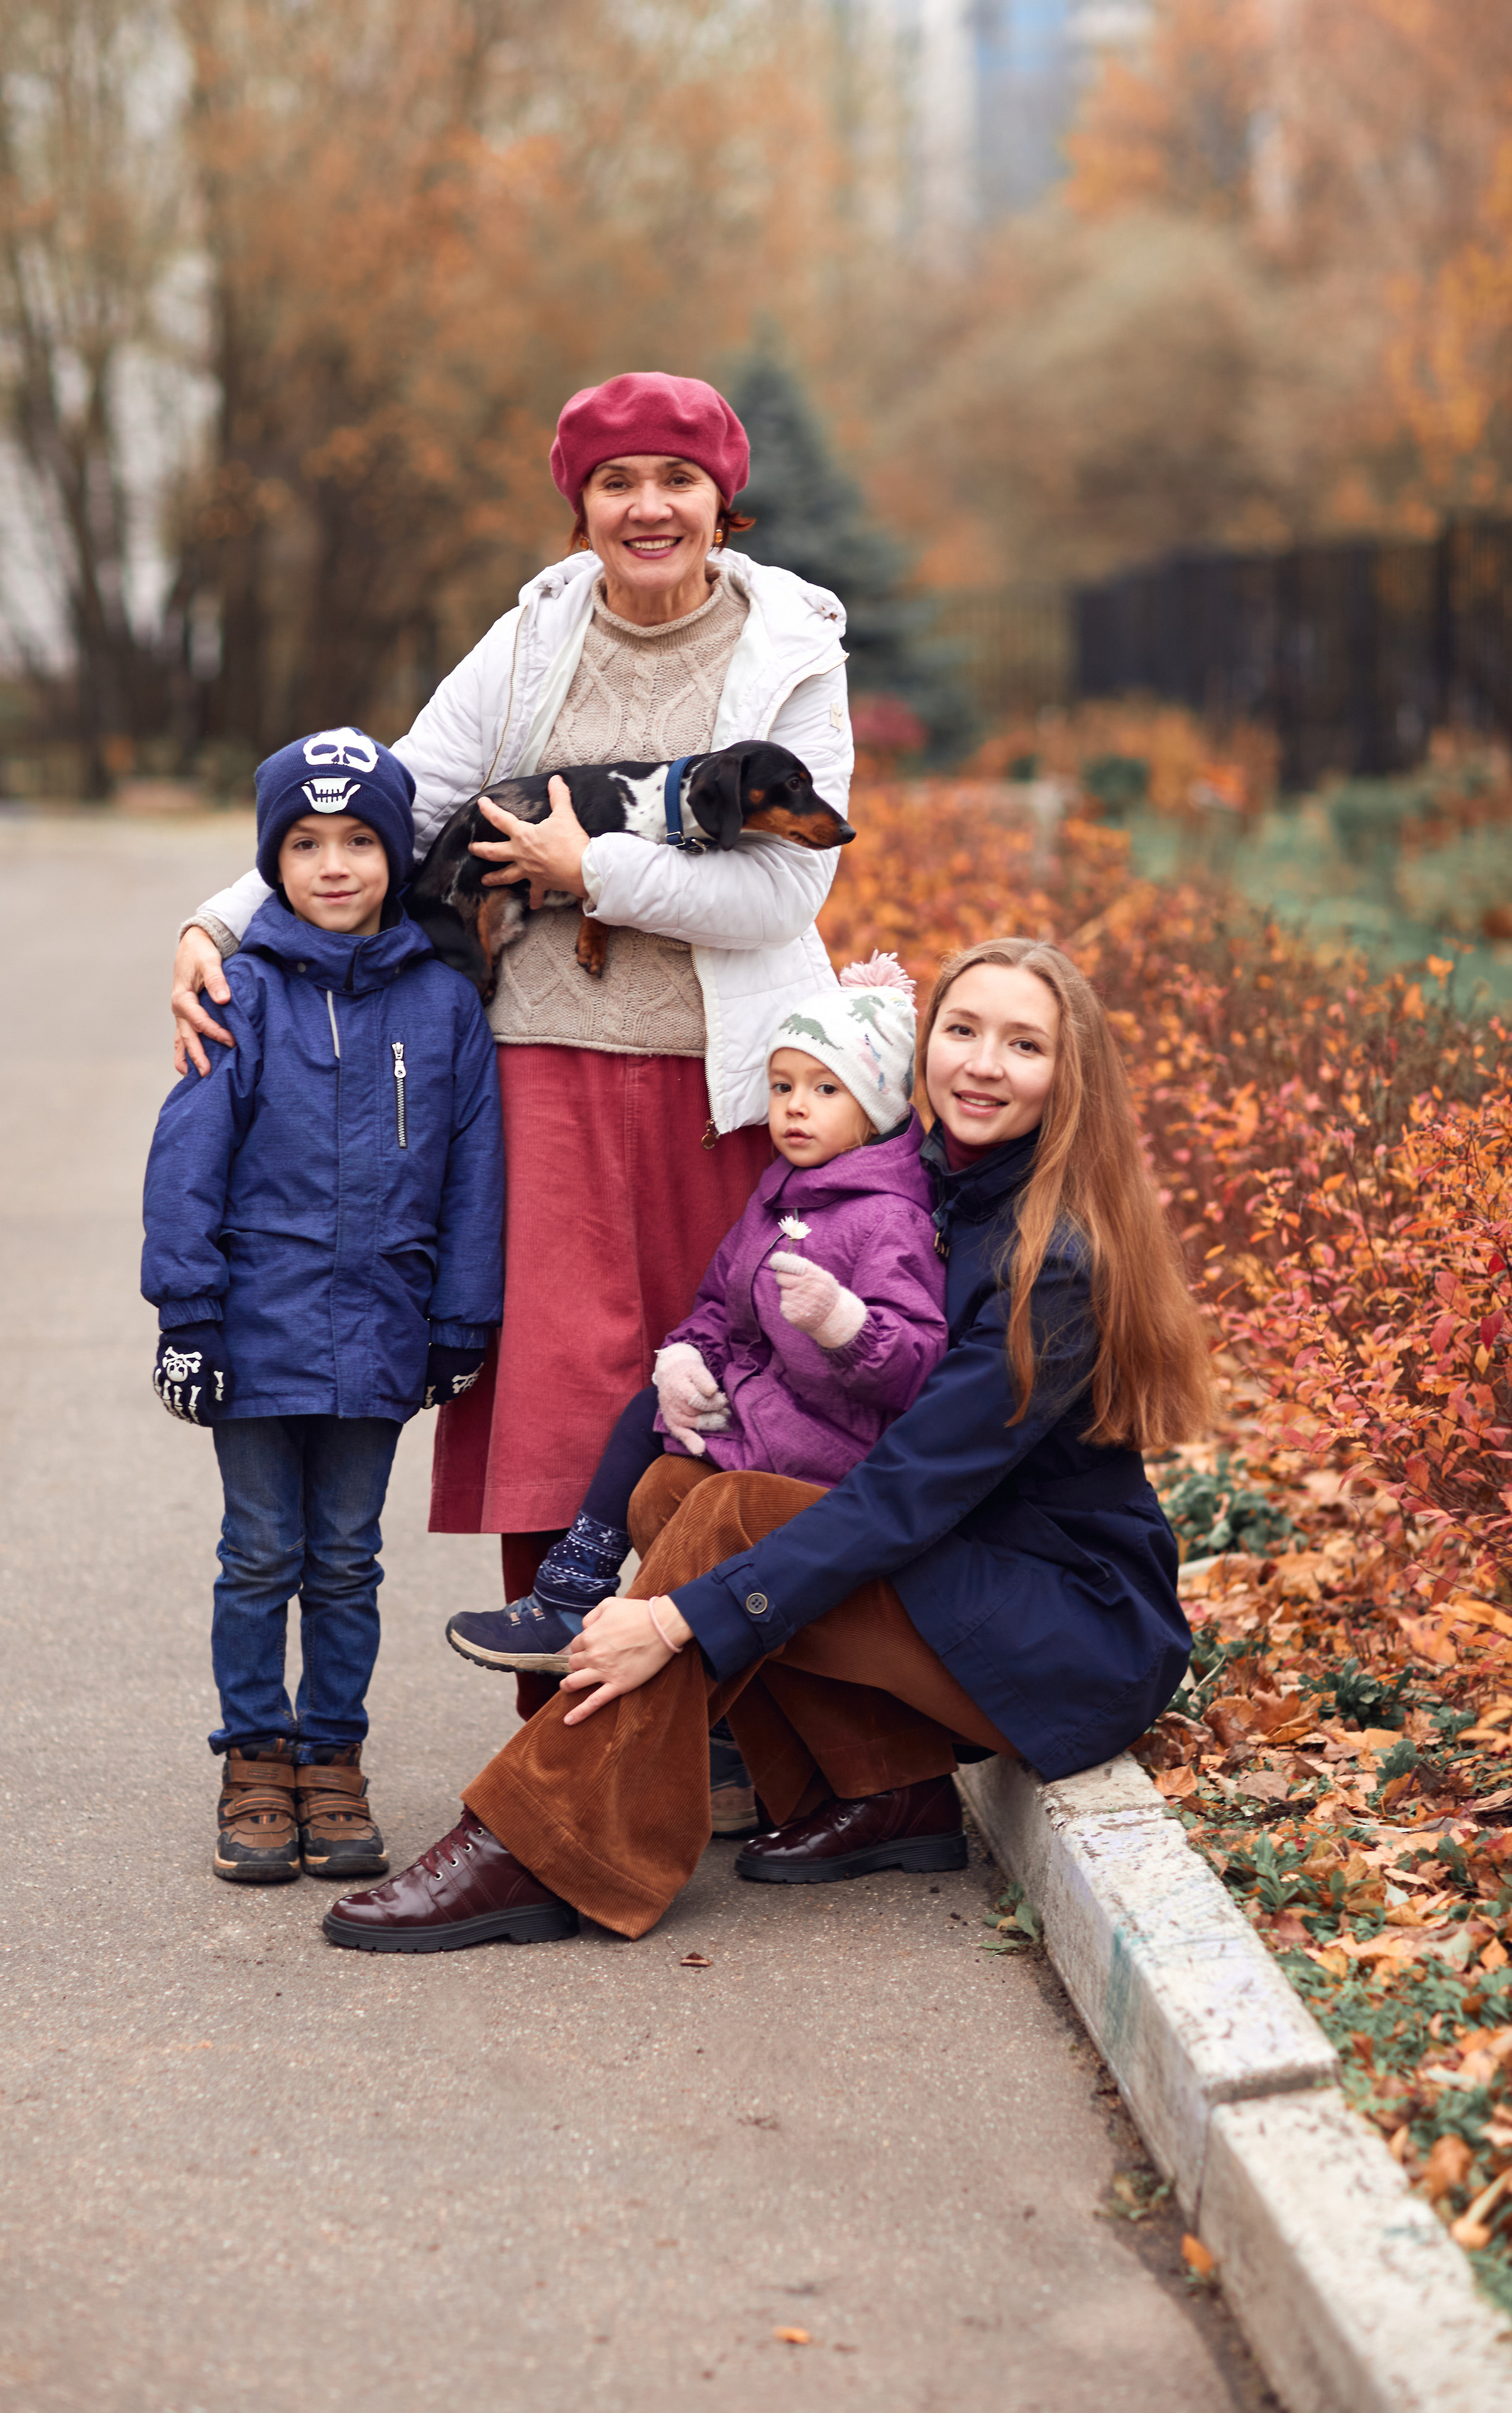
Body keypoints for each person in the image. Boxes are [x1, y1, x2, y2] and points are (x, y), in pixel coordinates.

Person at [167, 375, 853, 1726]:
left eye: (674, 480)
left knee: (723, 1389)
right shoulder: (534, 638)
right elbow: (402, 792)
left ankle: (711, 1711)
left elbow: (783, 895)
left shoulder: (790, 651)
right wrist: (218, 921)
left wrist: (581, 866)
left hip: (727, 1080)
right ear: (580, 506)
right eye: (614, 482)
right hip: (536, 1062)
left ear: (723, 502)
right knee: (557, 1394)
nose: (646, 507)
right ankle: (562, 1720)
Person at [319, 938, 1219, 1955]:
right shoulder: (916, 1176)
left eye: (1024, 1045)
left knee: (734, 1514)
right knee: (669, 1487)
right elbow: (767, 1316)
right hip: (959, 1574)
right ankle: (888, 1792)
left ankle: (537, 1842)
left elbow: (902, 1496)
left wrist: (673, 1621)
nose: (980, 1064)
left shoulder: (1051, 1262)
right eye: (962, 1031)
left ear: (1071, 1079)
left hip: (1065, 1627)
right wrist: (694, 1363)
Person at [142, 731, 503, 1887]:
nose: (334, 864)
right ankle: (256, 1760)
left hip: (384, 1335)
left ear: (398, 856)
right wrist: (187, 1315)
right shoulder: (235, 993)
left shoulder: (446, 1007)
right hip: (254, 1334)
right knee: (259, 1554)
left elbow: (473, 1168)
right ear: (272, 859)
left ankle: (333, 1760)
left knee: (346, 1558)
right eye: (305, 843)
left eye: (359, 841)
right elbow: (185, 1161)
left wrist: (461, 1319)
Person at [443, 953, 945, 1692]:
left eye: (825, 1088)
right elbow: (720, 1302)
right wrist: (684, 1358)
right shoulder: (785, 1194)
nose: (794, 1107)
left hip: (834, 1443)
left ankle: (588, 1608)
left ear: (877, 1105)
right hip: (773, 1411)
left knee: (681, 1492)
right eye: (781, 1087)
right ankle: (575, 1593)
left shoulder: (889, 1219)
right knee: (649, 1408)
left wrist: (844, 1324)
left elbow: (917, 1362)